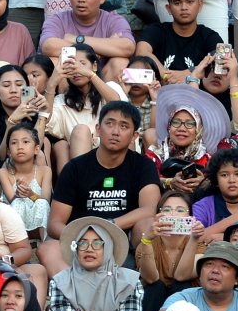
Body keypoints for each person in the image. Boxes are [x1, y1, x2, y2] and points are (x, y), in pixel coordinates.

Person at [40, 102, 160, 273]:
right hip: (80, 240)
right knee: (48, 248)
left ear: (134, 136)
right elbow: (55, 223)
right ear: (97, 129)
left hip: (123, 239)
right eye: (109, 123)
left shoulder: (143, 165)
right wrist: (88, 236)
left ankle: (141, 285)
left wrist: (108, 227)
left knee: (148, 225)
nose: (115, 131)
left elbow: (149, 210)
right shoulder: (75, 168)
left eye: (124, 126)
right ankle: (75, 291)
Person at [39, 0, 136, 83]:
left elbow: (128, 47)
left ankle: (109, 101)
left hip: (103, 80)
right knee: (54, 61)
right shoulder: (57, 20)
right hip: (70, 80)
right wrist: (99, 53)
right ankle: (66, 101)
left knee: (120, 62)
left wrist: (77, 39)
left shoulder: (114, 20)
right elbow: (49, 46)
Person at [45, 45, 125, 171]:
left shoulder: (110, 88)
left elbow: (118, 106)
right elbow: (46, 122)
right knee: (75, 135)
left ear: (94, 66)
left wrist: (90, 75)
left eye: (82, 64)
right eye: (71, 65)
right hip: (79, 166)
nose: (77, 69)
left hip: (112, 160)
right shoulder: (61, 101)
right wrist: (51, 84)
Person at [135, 0, 226, 83]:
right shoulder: (157, 30)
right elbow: (141, 51)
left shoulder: (210, 36)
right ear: (169, 8)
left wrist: (189, 73)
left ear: (200, 5)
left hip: (197, 95)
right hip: (159, 93)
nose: (184, 8)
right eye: (177, 3)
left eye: (190, 2)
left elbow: (221, 63)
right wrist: (166, 75)